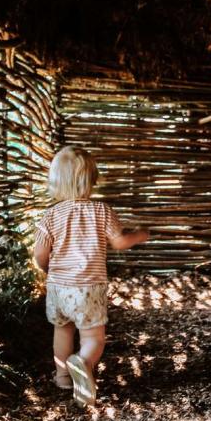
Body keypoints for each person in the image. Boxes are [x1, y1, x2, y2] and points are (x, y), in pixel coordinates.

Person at [33, 146, 149, 406]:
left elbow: (40, 253)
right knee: (93, 337)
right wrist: (140, 234)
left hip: (58, 288)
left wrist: (47, 270)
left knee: (62, 331)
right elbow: (119, 243)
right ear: (91, 180)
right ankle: (82, 364)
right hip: (88, 288)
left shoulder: (51, 215)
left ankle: (62, 375)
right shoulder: (101, 211)